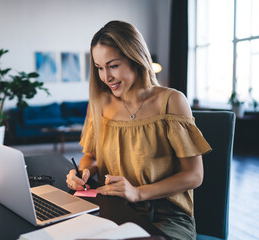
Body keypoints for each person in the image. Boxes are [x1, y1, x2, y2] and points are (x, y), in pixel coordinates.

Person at [66, 20, 212, 240]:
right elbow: (91, 156)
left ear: (135, 58)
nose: (106, 77)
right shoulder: (99, 103)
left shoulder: (171, 101)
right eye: (99, 68)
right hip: (115, 209)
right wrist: (84, 171)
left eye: (113, 65)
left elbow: (194, 175)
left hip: (166, 217)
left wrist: (138, 192)